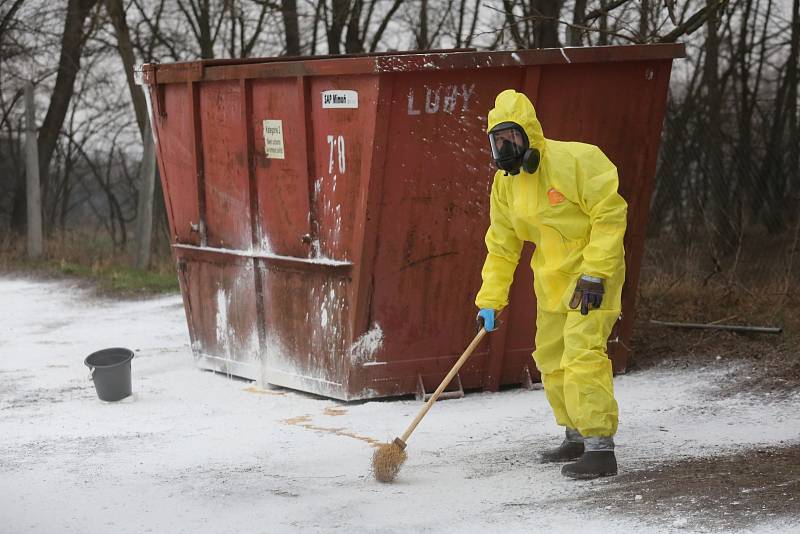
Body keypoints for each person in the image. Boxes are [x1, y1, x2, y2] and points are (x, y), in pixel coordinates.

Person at [475, 89, 627, 480]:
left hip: (593, 276)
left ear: (529, 135)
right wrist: (491, 299)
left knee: (582, 354)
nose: (505, 147)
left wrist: (596, 273)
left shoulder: (576, 160)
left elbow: (610, 216)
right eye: (497, 140)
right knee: (552, 356)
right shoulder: (505, 185)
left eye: (511, 137)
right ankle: (574, 434)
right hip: (552, 280)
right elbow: (502, 246)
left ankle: (599, 448)